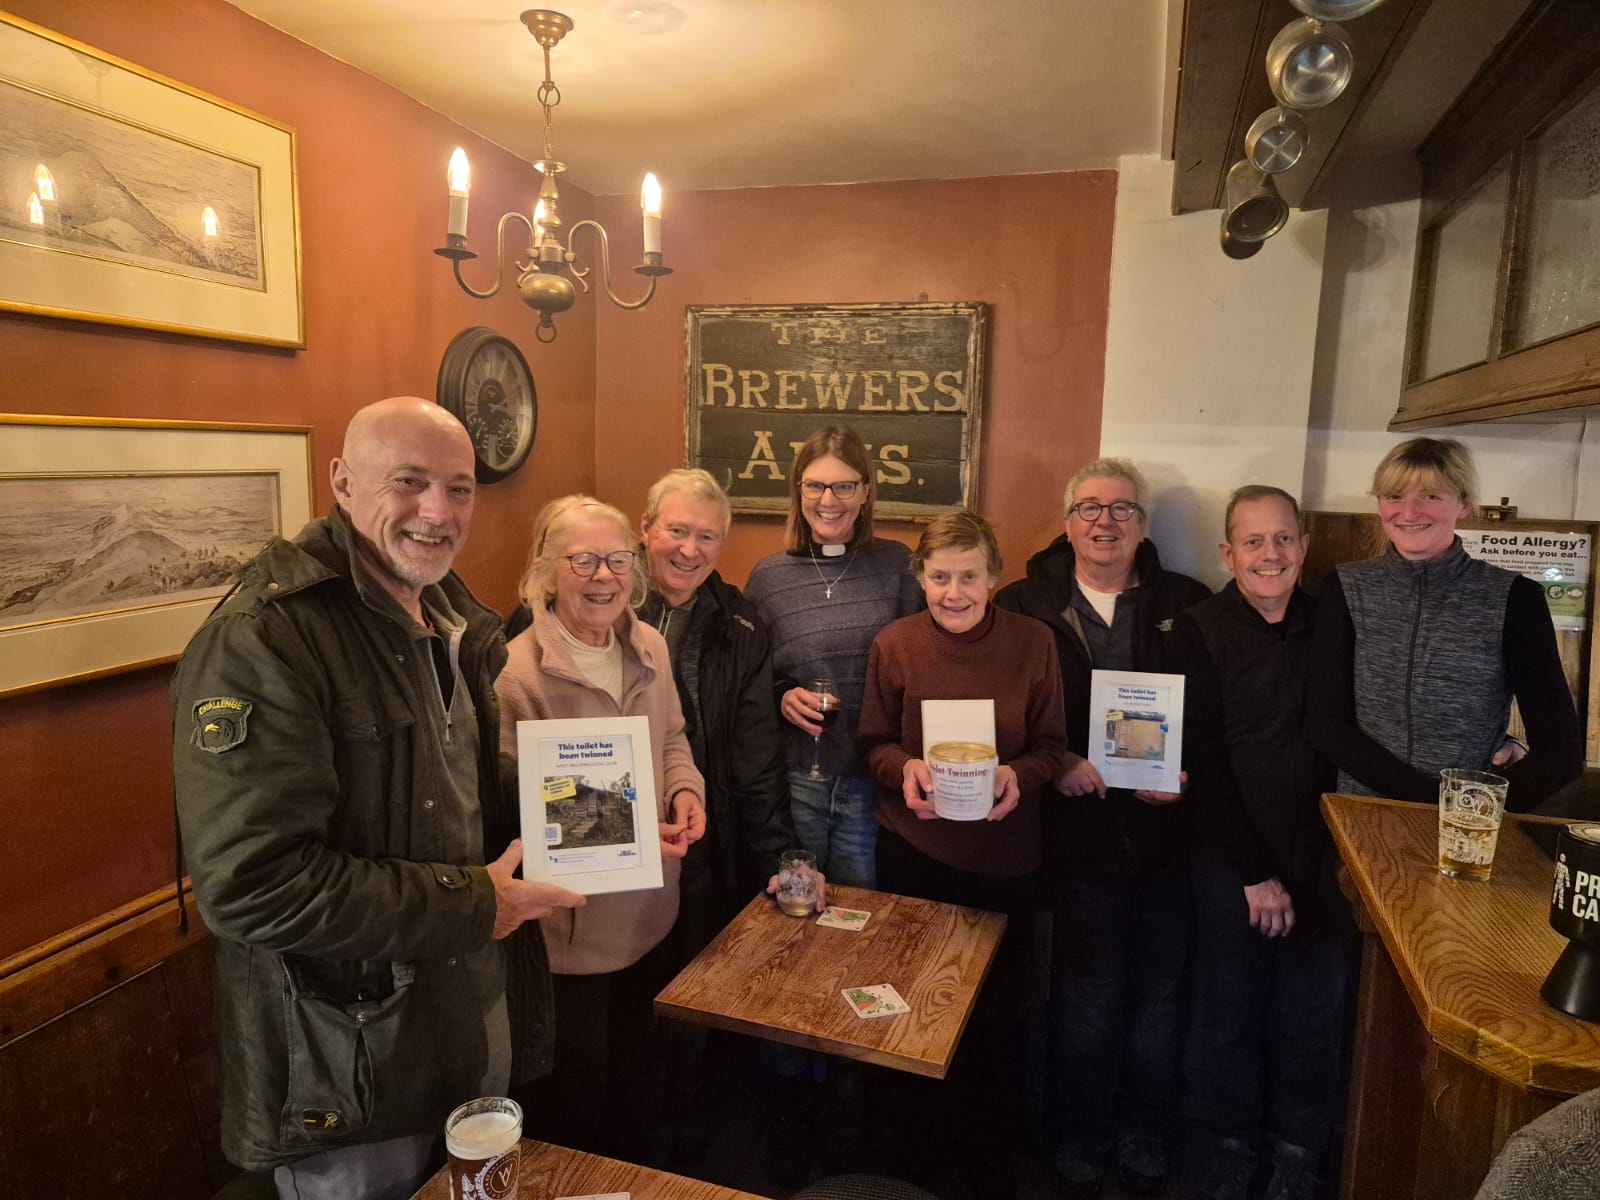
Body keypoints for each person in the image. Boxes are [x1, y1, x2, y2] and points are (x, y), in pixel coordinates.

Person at [171, 397, 583, 1200]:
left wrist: (594, 814)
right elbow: (250, 884)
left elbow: (450, 794)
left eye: (459, 488)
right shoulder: (266, 637)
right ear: (343, 482)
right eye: (409, 481)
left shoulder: (452, 613)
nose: (438, 511)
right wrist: (475, 907)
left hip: (464, 1021)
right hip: (351, 1068)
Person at [993, 457, 1209, 1199]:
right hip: (1074, 839)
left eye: (1121, 509)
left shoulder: (1188, 602)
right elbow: (1001, 717)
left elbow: (1213, 720)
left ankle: (1144, 1129)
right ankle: (1079, 1132)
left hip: (1165, 841)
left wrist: (1186, 779)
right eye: (1089, 508)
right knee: (1085, 998)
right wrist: (1056, 766)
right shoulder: (1021, 605)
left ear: (1143, 526)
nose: (1105, 521)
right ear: (1066, 522)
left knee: (1158, 1000)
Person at [858, 510, 1067, 1199]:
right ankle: (910, 1164)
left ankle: (986, 1168)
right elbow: (873, 741)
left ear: (994, 577)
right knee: (909, 1012)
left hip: (1004, 859)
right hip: (914, 850)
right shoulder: (894, 644)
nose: (953, 591)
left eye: (968, 577)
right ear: (920, 577)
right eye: (940, 577)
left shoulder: (1035, 643)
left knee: (995, 1021)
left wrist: (1018, 777)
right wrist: (903, 771)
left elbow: (1049, 747)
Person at [495, 494, 707, 1161]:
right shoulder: (513, 674)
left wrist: (683, 790)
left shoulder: (648, 645)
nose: (604, 576)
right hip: (570, 937)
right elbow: (511, 808)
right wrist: (627, 816)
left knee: (638, 1101)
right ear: (545, 572)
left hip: (651, 916)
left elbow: (671, 737)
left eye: (616, 559)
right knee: (572, 1115)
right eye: (582, 560)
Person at [1169, 487, 1347, 1200]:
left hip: (1327, 861)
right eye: (1253, 542)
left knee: (1313, 1019)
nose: (1270, 555)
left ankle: (1298, 1156)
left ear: (1303, 548)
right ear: (1227, 553)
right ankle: (1231, 1146)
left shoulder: (1335, 624)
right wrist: (1253, 873)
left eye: (1283, 540)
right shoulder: (1197, 629)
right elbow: (1201, 762)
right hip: (1229, 865)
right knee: (1229, 1016)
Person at [637, 468, 806, 1163]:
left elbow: (756, 759)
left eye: (707, 536)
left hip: (700, 844)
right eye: (676, 530)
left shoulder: (742, 625)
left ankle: (677, 1136)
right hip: (602, 846)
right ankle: (623, 1135)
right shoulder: (596, 599)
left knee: (687, 998)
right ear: (645, 528)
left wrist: (782, 860)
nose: (689, 548)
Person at [1309, 437, 1582, 811]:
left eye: (1431, 496)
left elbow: (1561, 754)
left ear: (1465, 504)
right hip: (1358, 820)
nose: (1409, 511)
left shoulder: (1515, 598)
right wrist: (1432, 802)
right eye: (1393, 496)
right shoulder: (1345, 587)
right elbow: (1327, 725)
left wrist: (1474, 811)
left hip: (1465, 834)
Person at [744, 426, 924, 889]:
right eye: (816, 485)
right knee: (795, 906)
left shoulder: (899, 567)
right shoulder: (770, 577)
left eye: (844, 486)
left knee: (860, 912)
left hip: (871, 781)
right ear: (798, 491)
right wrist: (782, 697)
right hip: (797, 776)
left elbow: (922, 666)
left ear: (865, 493)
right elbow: (749, 677)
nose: (829, 499)